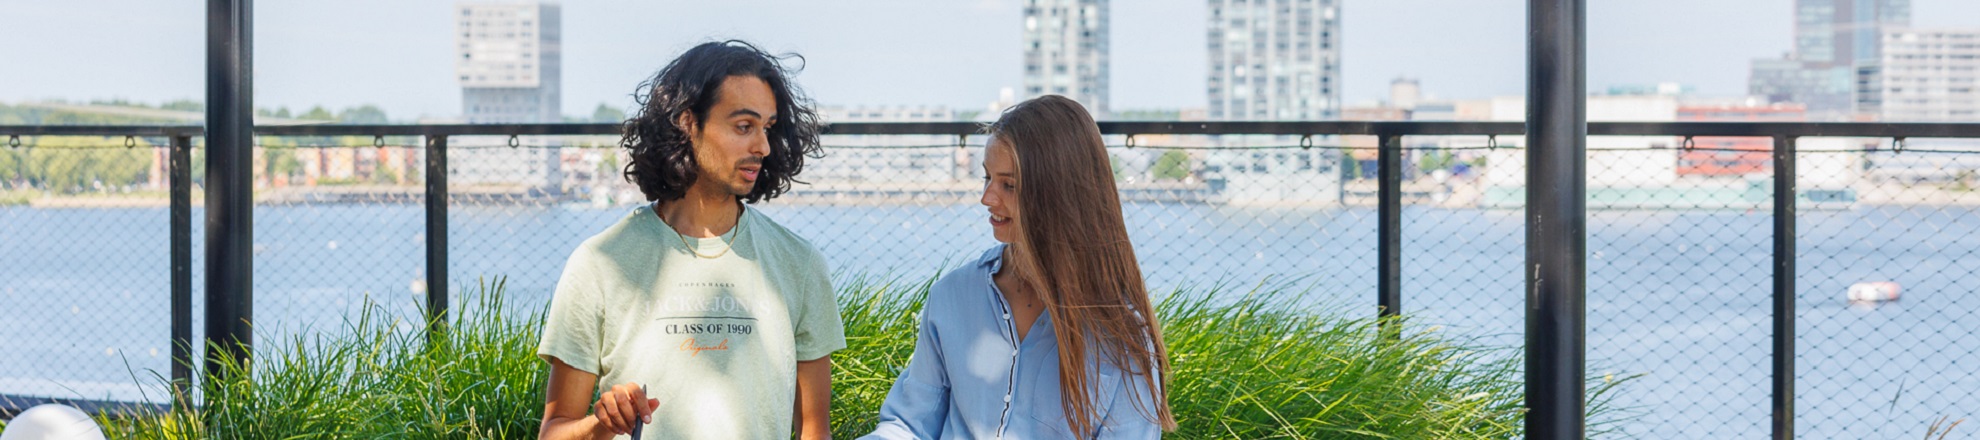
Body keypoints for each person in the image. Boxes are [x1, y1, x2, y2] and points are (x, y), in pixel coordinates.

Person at [535, 40, 842, 440]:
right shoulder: (601, 263)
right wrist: (602, 424)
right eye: (744, 126)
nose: (762, 146)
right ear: (687, 123)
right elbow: (553, 432)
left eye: (767, 128)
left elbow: (815, 431)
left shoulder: (799, 263)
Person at [862, 95, 1177, 439]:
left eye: (1009, 185)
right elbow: (909, 423)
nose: (987, 198)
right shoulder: (951, 297)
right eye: (987, 178)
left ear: (1060, 194)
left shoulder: (1120, 334)